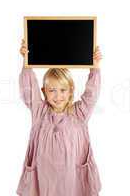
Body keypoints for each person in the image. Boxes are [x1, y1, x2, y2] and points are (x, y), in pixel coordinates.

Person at [16, 39, 102, 196]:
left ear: (71, 91)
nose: (58, 96)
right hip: (43, 180)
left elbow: (91, 95)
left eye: (63, 90)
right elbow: (28, 89)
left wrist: (95, 68)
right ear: (44, 91)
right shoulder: (40, 111)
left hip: (72, 180)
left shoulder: (79, 113)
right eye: (52, 90)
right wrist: (26, 62)